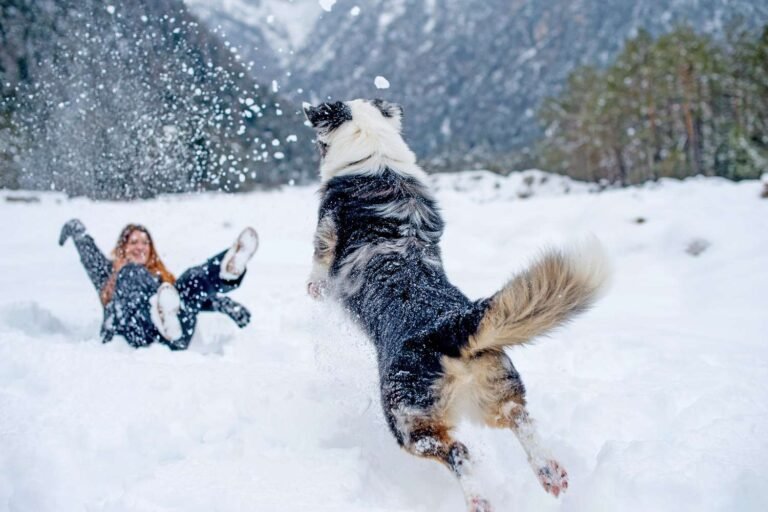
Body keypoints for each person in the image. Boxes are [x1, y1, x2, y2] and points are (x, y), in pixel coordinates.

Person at [59, 219, 258, 350]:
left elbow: (197, 299)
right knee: (132, 273)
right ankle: (158, 317)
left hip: (173, 338)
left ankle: (227, 270)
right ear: (123, 248)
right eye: (134, 242)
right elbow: (90, 256)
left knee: (190, 281)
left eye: (145, 243)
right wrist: (78, 231)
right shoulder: (110, 275)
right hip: (131, 336)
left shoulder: (162, 279)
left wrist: (224, 305)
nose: (140, 247)